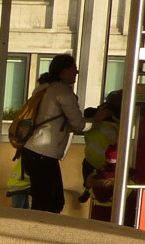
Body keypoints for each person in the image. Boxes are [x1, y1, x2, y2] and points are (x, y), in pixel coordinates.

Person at [20, 53, 87, 214]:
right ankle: (37, 234)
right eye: (73, 69)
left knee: (45, 201)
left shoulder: (44, 87)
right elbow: (78, 124)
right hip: (43, 153)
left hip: (32, 151)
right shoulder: (62, 92)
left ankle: (37, 233)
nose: (76, 72)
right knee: (50, 203)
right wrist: (96, 120)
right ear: (63, 71)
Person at [78, 88, 123, 204]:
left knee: (86, 165)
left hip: (92, 160)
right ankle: (89, 189)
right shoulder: (119, 125)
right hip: (109, 164)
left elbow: (86, 114)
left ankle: (87, 188)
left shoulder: (93, 119)